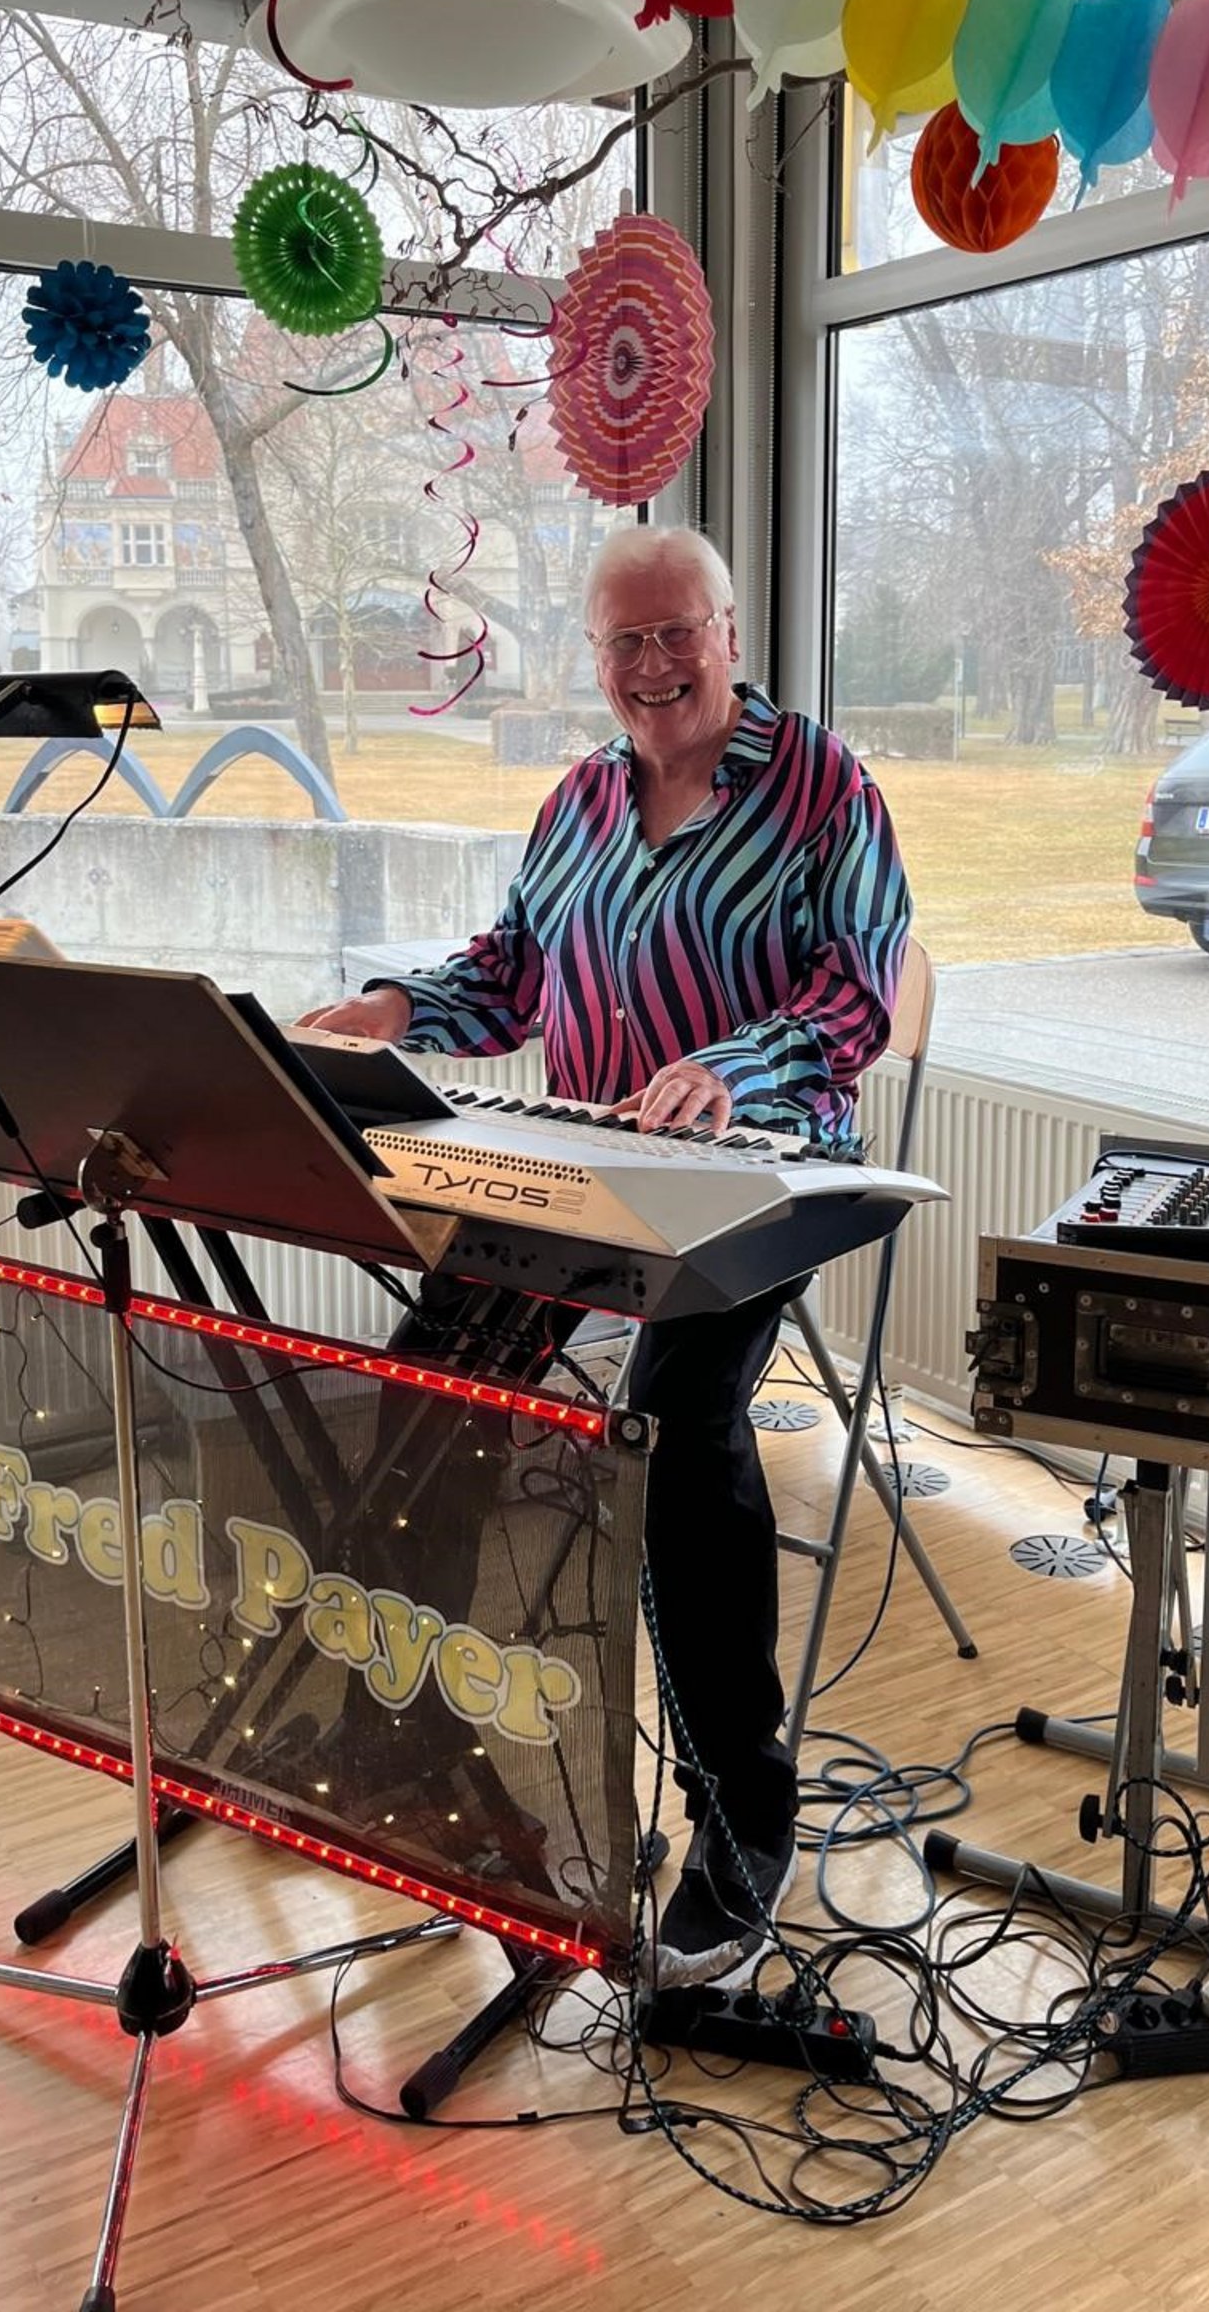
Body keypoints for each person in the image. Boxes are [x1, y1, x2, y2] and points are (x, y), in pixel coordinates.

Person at [300, 526, 910, 1988]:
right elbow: (512, 973)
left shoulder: (824, 785)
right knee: (429, 1385)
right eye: (623, 642)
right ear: (595, 656)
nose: (651, 666)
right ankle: (403, 1732)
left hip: (761, 1172)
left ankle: (742, 1818)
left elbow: (861, 994)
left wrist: (729, 1069)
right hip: (581, 1161)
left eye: (675, 633)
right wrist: (396, 1010)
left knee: (674, 1427)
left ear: (730, 632)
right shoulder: (578, 799)